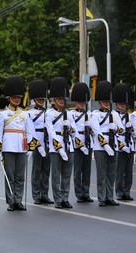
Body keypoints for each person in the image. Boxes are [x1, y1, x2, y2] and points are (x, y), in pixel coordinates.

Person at [0, 76, 44, 211]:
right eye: (14, 97)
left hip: (22, 148)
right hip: (8, 147)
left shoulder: (25, 114)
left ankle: (18, 200)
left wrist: (30, 148)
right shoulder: (3, 115)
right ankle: (11, 201)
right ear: (9, 98)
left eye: (18, 97)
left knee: (20, 177)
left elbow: (30, 132)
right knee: (10, 176)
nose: (17, 99)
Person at [46, 77, 88, 209]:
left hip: (68, 145)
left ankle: (65, 197)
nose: (61, 102)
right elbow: (51, 132)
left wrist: (70, 128)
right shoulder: (49, 114)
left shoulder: (69, 114)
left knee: (66, 175)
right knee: (56, 175)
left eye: (63, 99)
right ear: (53, 100)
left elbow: (74, 131)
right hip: (56, 146)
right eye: (59, 99)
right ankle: (57, 199)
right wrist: (59, 149)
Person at [90, 81, 124, 207]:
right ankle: (101, 197)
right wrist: (105, 145)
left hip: (113, 144)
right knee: (102, 173)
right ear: (99, 102)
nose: (106, 102)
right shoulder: (95, 115)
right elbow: (97, 131)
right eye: (104, 100)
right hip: (100, 147)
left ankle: (110, 196)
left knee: (111, 174)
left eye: (108, 100)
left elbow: (121, 129)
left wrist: (115, 128)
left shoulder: (115, 114)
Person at [27, 79, 53, 205]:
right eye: (39, 99)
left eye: (43, 99)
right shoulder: (30, 113)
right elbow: (30, 131)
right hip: (37, 143)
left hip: (47, 142)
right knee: (36, 171)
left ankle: (45, 194)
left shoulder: (48, 113)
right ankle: (36, 195)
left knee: (46, 171)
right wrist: (37, 145)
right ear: (34, 100)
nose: (41, 101)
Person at [69, 82, 94, 203]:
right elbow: (72, 130)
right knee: (78, 170)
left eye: (83, 102)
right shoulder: (71, 114)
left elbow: (96, 129)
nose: (81, 104)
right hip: (77, 143)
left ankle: (86, 192)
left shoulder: (90, 114)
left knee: (87, 170)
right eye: (79, 102)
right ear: (75, 102)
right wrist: (80, 144)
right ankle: (79, 193)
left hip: (88, 142)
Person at [113, 83, 134, 201]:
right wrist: (121, 145)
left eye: (124, 104)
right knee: (119, 171)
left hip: (129, 145)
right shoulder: (113, 116)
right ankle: (119, 191)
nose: (123, 106)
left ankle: (127, 191)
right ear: (116, 104)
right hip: (119, 145)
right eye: (121, 104)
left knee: (129, 170)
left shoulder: (131, 117)